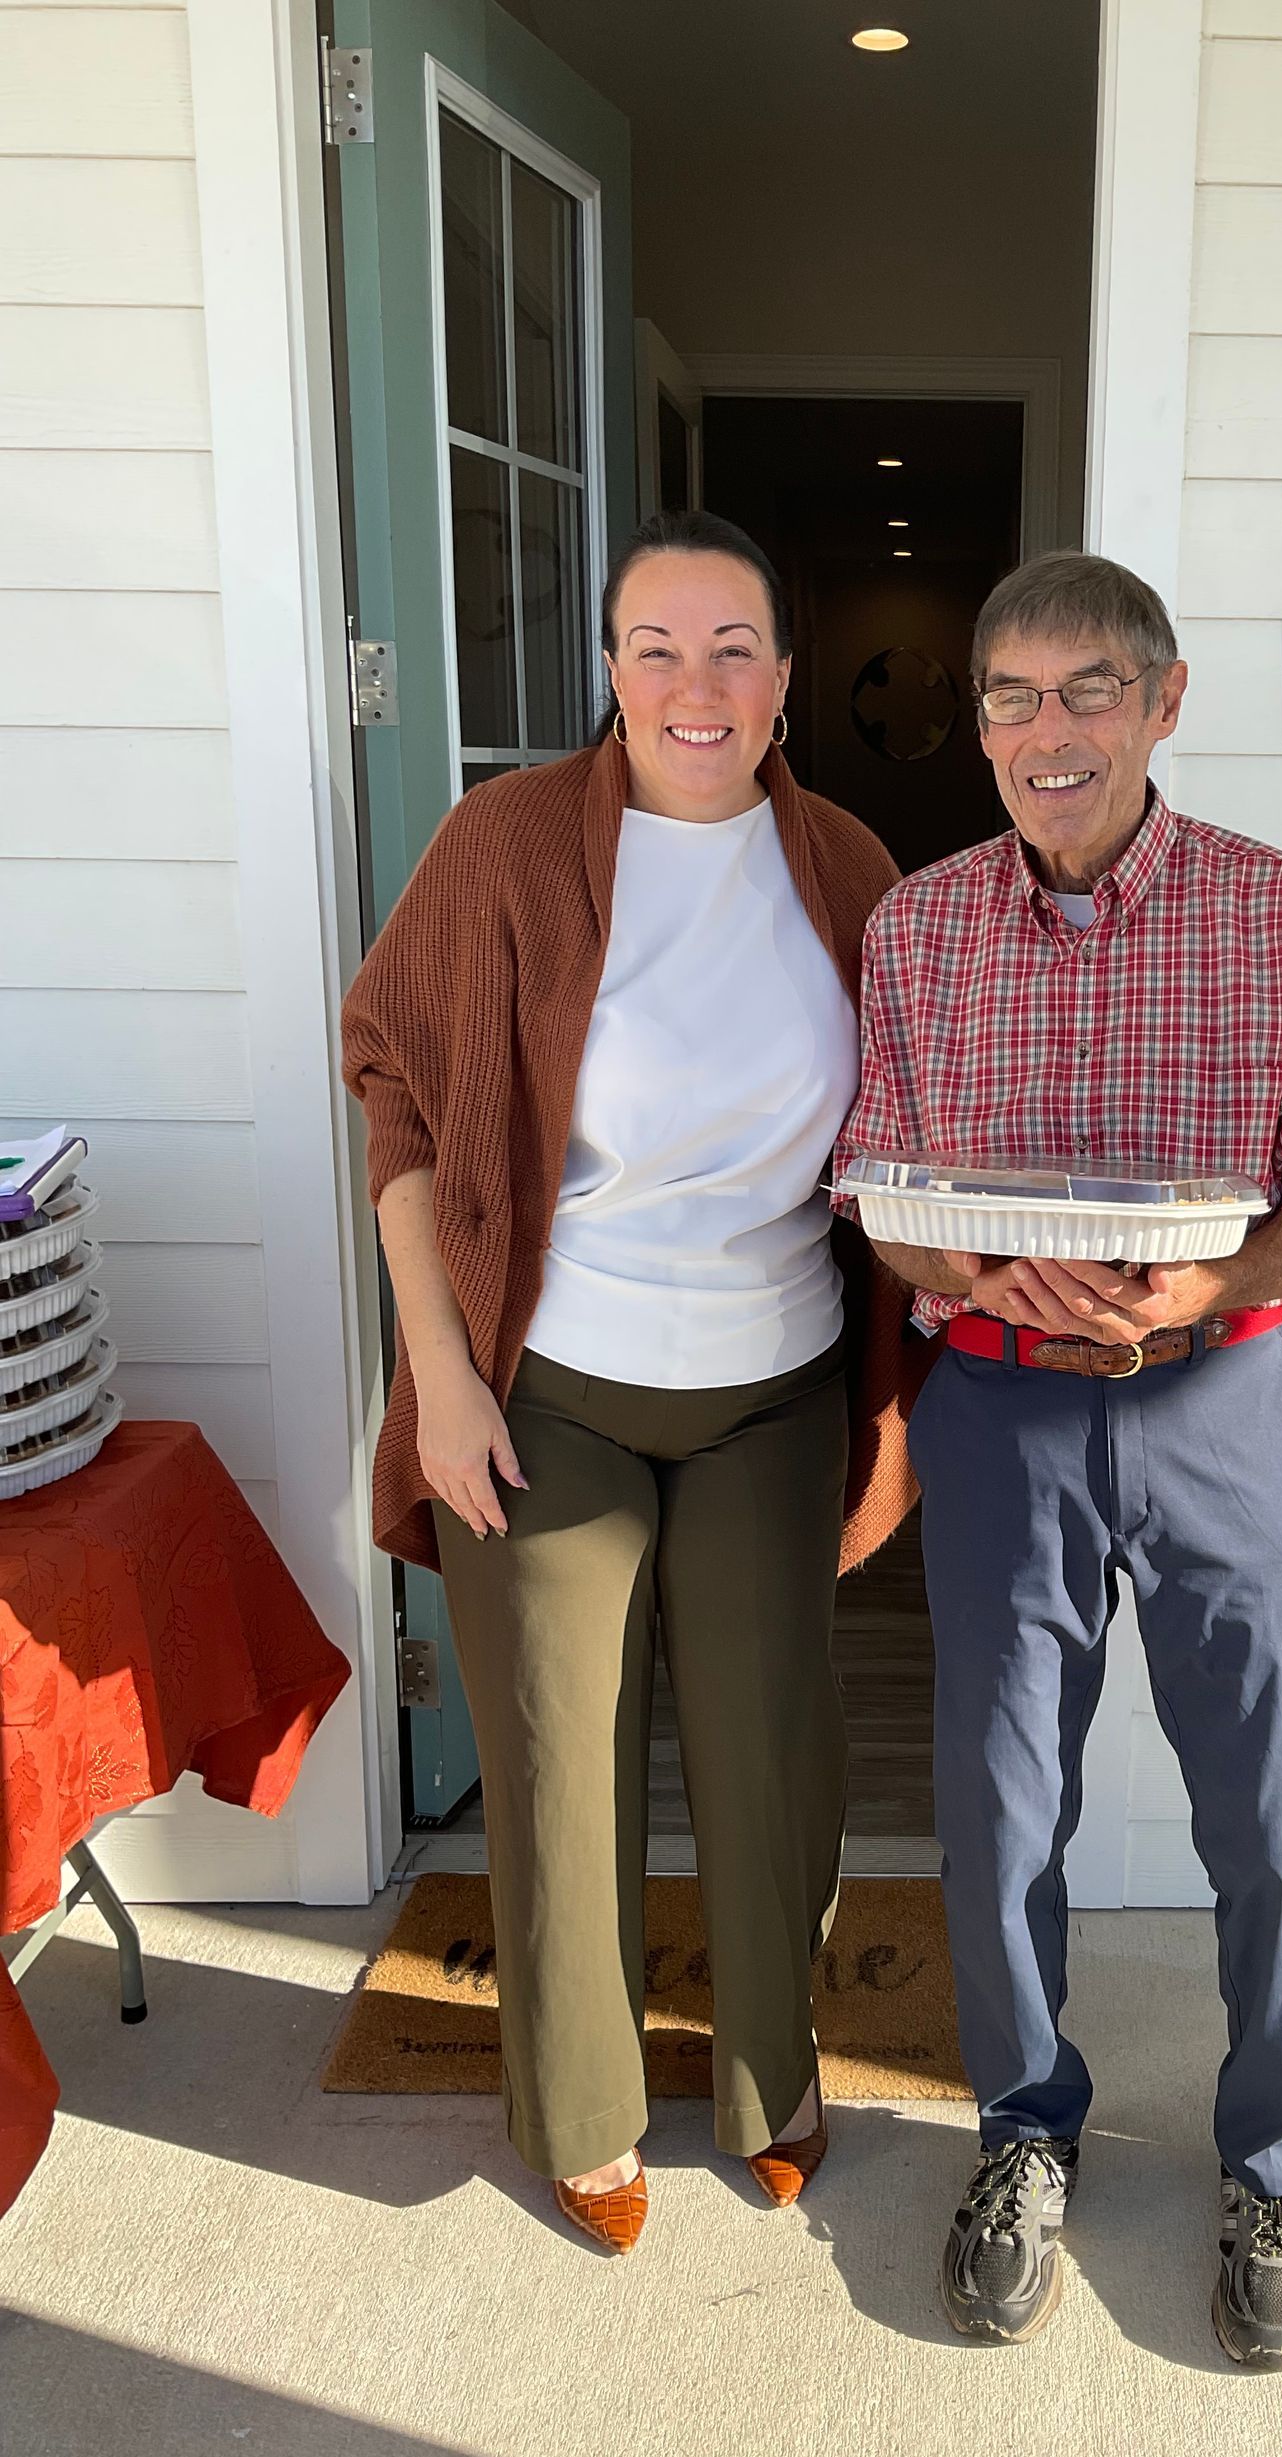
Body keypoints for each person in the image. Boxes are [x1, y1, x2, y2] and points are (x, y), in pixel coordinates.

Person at [835, 551, 1282, 2367]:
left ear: (1165, 701)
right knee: (1003, 1801)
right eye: (1010, 698)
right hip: (1000, 1412)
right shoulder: (916, 931)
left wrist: (1207, 1277)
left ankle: (1274, 2158)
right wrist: (962, 1260)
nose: (1046, 730)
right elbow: (879, 1200)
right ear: (979, 727)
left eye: (1089, 689)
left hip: (1225, 1397)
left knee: (1273, 1806)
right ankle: (1023, 2126)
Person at [343, 510, 924, 2253]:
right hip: (554, 1388)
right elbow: (400, 1094)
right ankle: (580, 2109)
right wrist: (441, 1375)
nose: (696, 684)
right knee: (555, 1755)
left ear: (784, 681)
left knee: (774, 1755)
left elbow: (909, 1124)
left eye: (732, 648)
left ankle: (774, 2075)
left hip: (771, 1383)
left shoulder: (848, 869)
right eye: (657, 649)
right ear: (609, 672)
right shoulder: (508, 844)